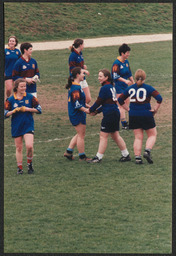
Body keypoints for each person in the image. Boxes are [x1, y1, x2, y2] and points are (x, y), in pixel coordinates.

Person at [118, 69, 162, 164]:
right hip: (146, 114)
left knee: (138, 137)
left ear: (135, 77)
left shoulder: (130, 88)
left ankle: (138, 158)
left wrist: (128, 109)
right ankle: (147, 151)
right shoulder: (148, 88)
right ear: (144, 78)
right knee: (152, 135)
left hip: (134, 115)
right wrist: (155, 109)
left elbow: (120, 99)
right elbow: (159, 98)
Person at [87, 68, 131, 163]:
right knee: (115, 135)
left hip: (110, 114)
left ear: (106, 77)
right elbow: (107, 103)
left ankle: (98, 157)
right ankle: (126, 154)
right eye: (98, 76)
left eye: (100, 76)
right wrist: (97, 111)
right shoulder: (111, 86)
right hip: (115, 113)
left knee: (103, 136)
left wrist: (91, 110)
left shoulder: (104, 88)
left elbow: (99, 101)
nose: (99, 78)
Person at [4, 78, 42, 174]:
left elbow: (39, 109)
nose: (24, 88)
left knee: (29, 146)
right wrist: (13, 111)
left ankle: (29, 164)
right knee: (19, 148)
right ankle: (19, 168)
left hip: (28, 125)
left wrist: (28, 109)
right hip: (17, 126)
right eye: (21, 86)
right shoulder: (11, 99)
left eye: (25, 86)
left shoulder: (30, 97)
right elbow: (5, 114)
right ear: (16, 87)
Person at [64, 67, 91, 161]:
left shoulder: (77, 86)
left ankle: (69, 151)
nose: (84, 75)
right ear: (77, 75)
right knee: (81, 135)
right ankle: (82, 156)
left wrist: (88, 106)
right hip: (77, 113)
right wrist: (86, 110)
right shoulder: (75, 88)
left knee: (80, 133)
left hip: (77, 112)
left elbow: (80, 101)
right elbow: (77, 104)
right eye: (82, 73)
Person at [111, 43, 134, 129]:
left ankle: (121, 120)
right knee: (121, 105)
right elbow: (115, 76)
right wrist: (125, 80)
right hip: (118, 86)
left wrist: (133, 81)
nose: (128, 54)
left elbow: (129, 73)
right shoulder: (116, 63)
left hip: (126, 86)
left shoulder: (126, 62)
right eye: (127, 52)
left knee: (126, 103)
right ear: (122, 53)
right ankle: (124, 123)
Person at [69, 38, 91, 104]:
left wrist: (83, 66)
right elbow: (72, 69)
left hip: (82, 78)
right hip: (76, 79)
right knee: (78, 99)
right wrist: (83, 70)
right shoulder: (73, 55)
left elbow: (78, 65)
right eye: (83, 44)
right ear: (80, 45)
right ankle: (79, 111)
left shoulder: (80, 53)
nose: (84, 46)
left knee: (88, 98)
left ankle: (81, 110)